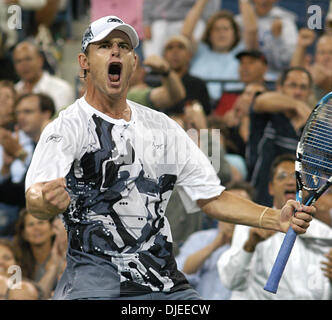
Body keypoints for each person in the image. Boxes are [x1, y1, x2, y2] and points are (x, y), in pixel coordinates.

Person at [24, 15, 315, 300]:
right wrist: (45, 201)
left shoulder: (162, 127)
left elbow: (211, 197)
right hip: (97, 283)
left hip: (163, 283)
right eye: (104, 45)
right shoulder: (67, 127)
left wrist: (275, 218)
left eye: (124, 47)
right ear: (84, 62)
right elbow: (35, 196)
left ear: (133, 62)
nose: (116, 50)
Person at [218, 154, 332, 299]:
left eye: (296, 177)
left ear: (307, 187)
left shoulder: (326, 234)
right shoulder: (250, 225)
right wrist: (249, 246)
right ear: (271, 188)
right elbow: (231, 282)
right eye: (282, 176)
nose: (290, 182)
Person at [176, 181, 255, 300]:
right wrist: (216, 244)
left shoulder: (257, 243)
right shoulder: (200, 238)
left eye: (240, 207)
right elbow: (180, 274)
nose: (233, 212)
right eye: (229, 205)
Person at [248, 66, 313, 206]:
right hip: (258, 199)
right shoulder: (268, 115)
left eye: (303, 87)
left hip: (298, 206)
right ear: (280, 88)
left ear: (309, 92)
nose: (297, 92)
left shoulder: (313, 128)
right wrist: (296, 105)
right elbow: (260, 101)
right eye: (292, 85)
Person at [182, 0, 245, 106]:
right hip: (198, 104)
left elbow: (252, 30)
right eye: (216, 29)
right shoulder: (200, 51)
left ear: (235, 33)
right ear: (209, 34)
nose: (221, 33)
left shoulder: (242, 52)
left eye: (226, 29)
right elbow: (186, 34)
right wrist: (201, 2)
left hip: (231, 104)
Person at [235, 0, 298, 81]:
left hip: (276, 78)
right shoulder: (239, 21)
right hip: (244, 78)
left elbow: (288, 60)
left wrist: (277, 39)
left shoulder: (285, 20)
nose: (263, 1)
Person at [13, 208, 66, 299]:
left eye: (41, 223)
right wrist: (53, 268)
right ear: (24, 234)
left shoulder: (65, 258)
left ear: (52, 229)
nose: (36, 228)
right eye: (31, 224)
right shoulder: (15, 262)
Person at [142, 0, 221, 58]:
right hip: (161, 20)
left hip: (195, 19)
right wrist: (146, 23)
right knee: (153, 59)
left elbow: (211, 7)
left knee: (194, 53)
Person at [13, 41, 75, 112]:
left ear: (40, 60)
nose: (24, 65)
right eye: (18, 61)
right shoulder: (14, 91)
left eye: (28, 59)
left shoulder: (62, 89)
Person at [214, 49, 269, 117]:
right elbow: (216, 120)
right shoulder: (229, 95)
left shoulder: (274, 92)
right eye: (241, 63)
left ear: (265, 68)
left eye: (251, 62)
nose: (244, 67)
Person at [290, 29, 332, 103]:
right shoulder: (310, 72)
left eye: (331, 52)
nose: (327, 57)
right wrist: (301, 46)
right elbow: (294, 74)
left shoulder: (314, 74)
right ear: (315, 56)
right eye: (322, 52)